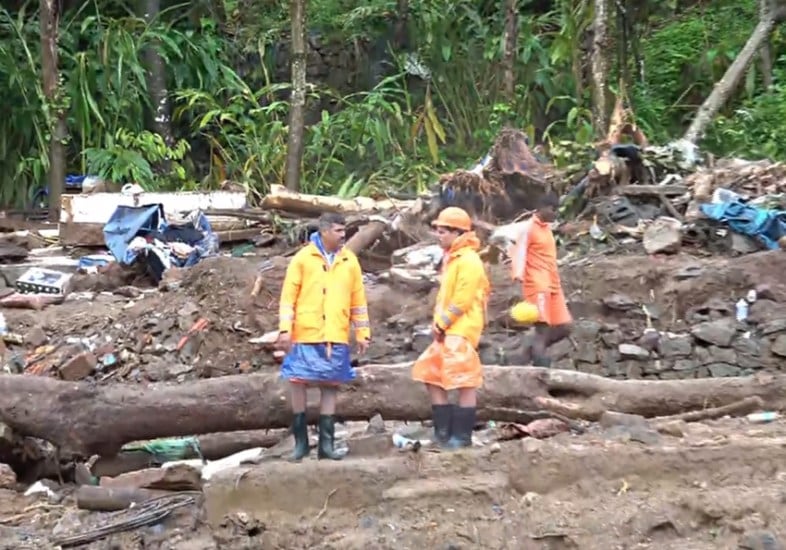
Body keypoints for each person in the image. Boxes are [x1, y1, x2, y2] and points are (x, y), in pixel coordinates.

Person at [277, 212, 371, 461]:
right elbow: (288, 298)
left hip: (336, 333)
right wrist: (285, 329)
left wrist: (363, 333)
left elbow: (358, 301)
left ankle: (326, 446)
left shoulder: (349, 260)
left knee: (331, 386)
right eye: (339, 231)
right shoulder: (303, 259)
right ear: (326, 231)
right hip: (306, 332)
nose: (343, 236)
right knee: (298, 383)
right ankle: (300, 444)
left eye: (344, 231)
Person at [412, 207, 490, 449]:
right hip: (448, 330)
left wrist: (441, 323)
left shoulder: (468, 260)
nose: (438, 235)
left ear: (458, 233)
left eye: (443, 231)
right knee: (429, 373)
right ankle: (443, 433)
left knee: (464, 381)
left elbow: (462, 301)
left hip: (461, 329)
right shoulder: (453, 258)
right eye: (437, 230)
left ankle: (461, 437)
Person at [509, 192, 573, 366]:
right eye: (553, 209)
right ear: (541, 208)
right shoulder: (528, 228)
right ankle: (541, 368)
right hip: (537, 284)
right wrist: (518, 278)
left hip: (553, 284)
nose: (555, 213)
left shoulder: (546, 228)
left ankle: (526, 353)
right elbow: (518, 253)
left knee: (565, 326)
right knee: (542, 329)